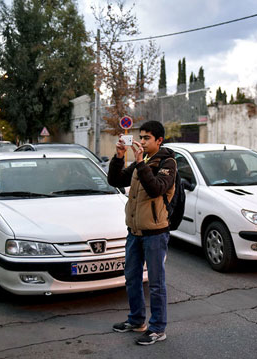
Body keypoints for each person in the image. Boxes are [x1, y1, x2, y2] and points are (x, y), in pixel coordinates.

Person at [107, 120, 177, 346]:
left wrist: (139, 163)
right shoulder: (143, 160)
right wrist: (119, 157)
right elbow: (115, 180)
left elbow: (156, 188)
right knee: (132, 278)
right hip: (134, 231)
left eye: (147, 138)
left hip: (155, 232)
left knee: (156, 283)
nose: (143, 141)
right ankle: (137, 320)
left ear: (159, 140)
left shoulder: (168, 162)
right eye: (141, 137)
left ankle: (158, 328)